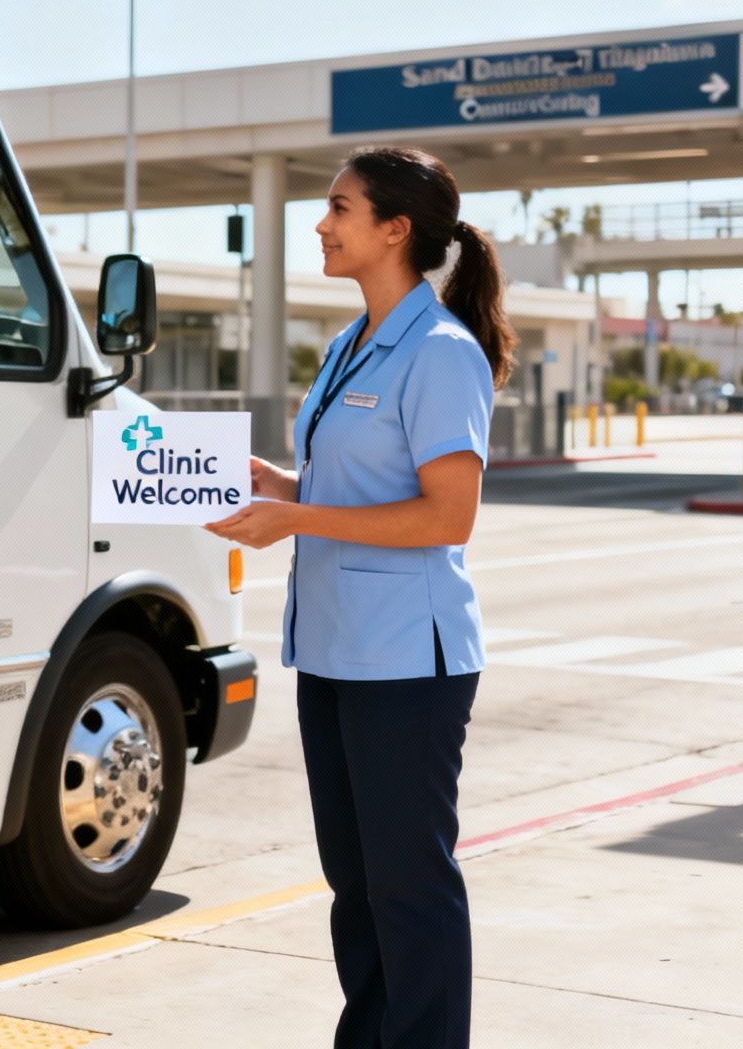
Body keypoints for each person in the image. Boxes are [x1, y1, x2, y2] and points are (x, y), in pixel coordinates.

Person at [206, 146, 513, 1049]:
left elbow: (446, 516)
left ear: (395, 229)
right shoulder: (348, 345)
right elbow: (355, 484)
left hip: (407, 664)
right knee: (355, 881)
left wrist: (295, 516)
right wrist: (275, 479)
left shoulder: (443, 352)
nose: (320, 223)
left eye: (338, 208)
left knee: (409, 884)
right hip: (336, 651)